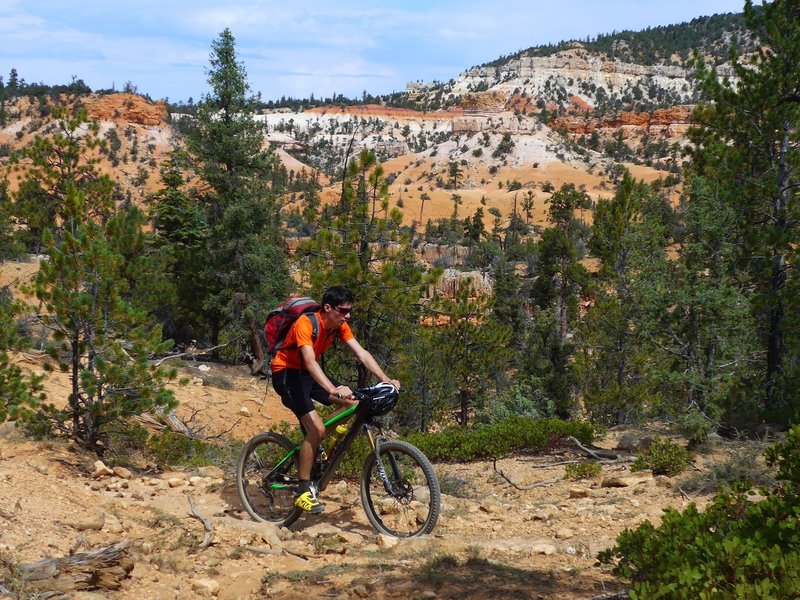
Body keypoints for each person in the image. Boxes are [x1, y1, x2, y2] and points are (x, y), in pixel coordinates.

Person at [271, 285, 400, 513]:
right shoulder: (306, 323)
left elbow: (361, 353)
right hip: (287, 374)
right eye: (343, 310)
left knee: (353, 403)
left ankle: (317, 445)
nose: (347, 315)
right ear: (328, 308)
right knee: (317, 429)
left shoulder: (338, 326)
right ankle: (303, 490)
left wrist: (386, 379)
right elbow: (310, 361)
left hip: (306, 375)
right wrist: (333, 388)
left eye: (349, 311)